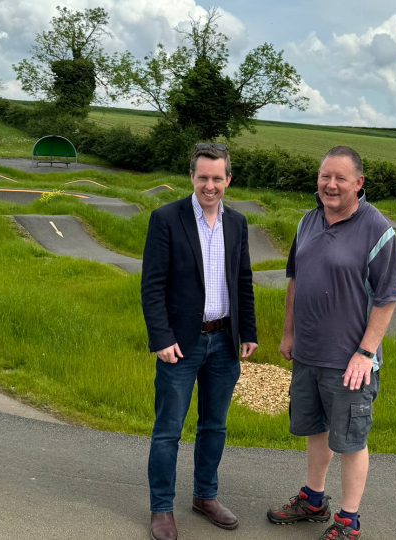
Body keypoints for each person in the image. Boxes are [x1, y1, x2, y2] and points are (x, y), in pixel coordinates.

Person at [267, 146, 396, 540]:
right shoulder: (306, 223)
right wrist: (289, 333)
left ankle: (348, 521)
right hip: (308, 352)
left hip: (349, 360)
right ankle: (313, 500)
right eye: (326, 176)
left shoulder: (378, 230)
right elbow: (295, 280)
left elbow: (387, 297)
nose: (331, 184)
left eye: (341, 178)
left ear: (358, 184)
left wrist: (364, 353)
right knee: (316, 429)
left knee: (350, 440)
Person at [141, 143, 258, 540]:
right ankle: (161, 509)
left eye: (217, 178)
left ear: (229, 179)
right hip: (180, 346)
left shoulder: (238, 223)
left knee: (215, 426)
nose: (210, 185)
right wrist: (160, 337)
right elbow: (152, 285)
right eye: (203, 177)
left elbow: (243, 280)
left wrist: (249, 333)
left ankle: (205, 497)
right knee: (168, 429)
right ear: (191, 177)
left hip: (224, 341)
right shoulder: (166, 219)